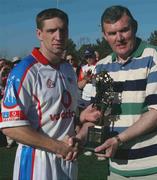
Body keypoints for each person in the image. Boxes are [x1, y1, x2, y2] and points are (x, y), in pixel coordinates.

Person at [0, 8, 101, 180]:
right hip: (37, 161)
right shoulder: (24, 72)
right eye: (51, 31)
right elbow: (10, 127)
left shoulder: (68, 69)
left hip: (67, 158)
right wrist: (58, 147)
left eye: (63, 30)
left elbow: (64, 115)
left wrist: (81, 119)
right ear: (39, 33)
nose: (58, 36)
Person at [84, 5, 157, 180]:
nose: (119, 38)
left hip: (155, 167)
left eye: (124, 30)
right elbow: (99, 113)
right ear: (104, 36)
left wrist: (119, 139)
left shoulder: (154, 56)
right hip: (117, 167)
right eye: (112, 33)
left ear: (134, 27)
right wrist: (80, 137)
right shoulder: (102, 66)